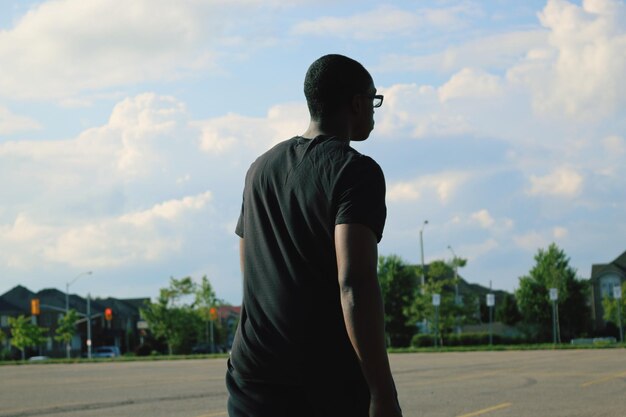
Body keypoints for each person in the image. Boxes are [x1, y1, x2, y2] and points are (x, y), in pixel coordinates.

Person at [227, 54, 402, 417]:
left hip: (252, 376)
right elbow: (354, 282)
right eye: (373, 100)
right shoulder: (354, 171)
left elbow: (250, 271)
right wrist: (382, 393)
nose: (373, 110)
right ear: (356, 103)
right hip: (322, 383)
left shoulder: (259, 169)